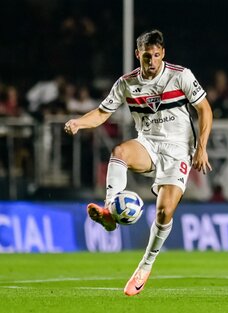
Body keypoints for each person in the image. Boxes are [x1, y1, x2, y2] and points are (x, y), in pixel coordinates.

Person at [64, 29, 213, 296]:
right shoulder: (126, 83)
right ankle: (110, 210)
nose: (152, 61)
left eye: (156, 55)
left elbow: (205, 109)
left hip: (179, 151)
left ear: (163, 53)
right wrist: (78, 122)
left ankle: (145, 266)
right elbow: (101, 113)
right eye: (147, 56)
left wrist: (201, 148)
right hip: (148, 143)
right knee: (120, 151)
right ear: (138, 55)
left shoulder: (181, 76)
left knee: (164, 212)